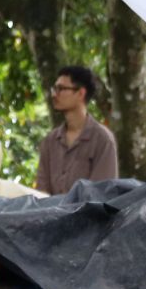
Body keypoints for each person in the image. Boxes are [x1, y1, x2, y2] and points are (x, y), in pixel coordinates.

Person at [34, 64, 117, 194]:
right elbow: (41, 192)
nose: (54, 95)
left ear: (80, 93)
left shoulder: (102, 139)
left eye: (61, 89)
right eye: (54, 89)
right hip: (50, 208)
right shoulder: (50, 141)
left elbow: (101, 194)